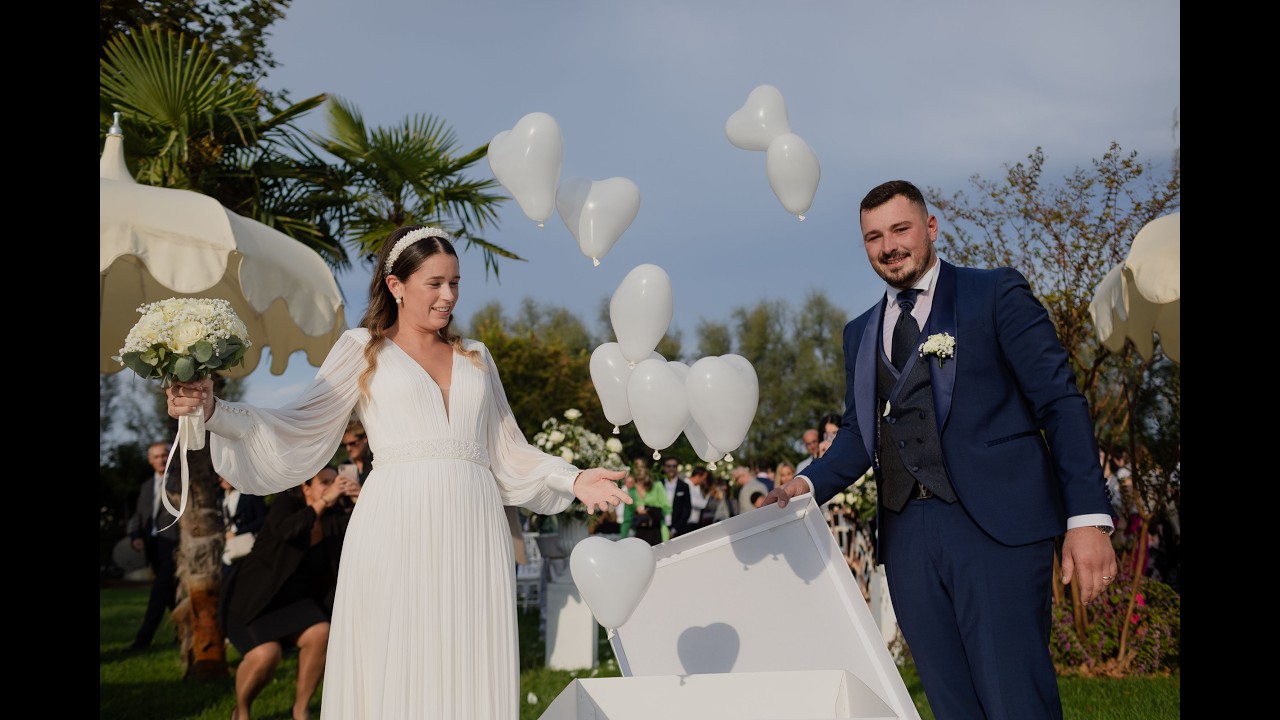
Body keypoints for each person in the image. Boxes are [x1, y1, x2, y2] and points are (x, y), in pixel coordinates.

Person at [165, 225, 630, 719]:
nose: (448, 295)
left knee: (469, 651)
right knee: (400, 648)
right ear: (396, 285)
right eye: (434, 283)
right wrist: (215, 412)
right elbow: (298, 424)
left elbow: (508, 451)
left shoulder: (477, 358)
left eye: (455, 281)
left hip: (474, 528)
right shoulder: (363, 348)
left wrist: (573, 479)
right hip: (395, 525)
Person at [765, 180, 1117, 720]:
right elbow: (860, 436)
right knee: (950, 703)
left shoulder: (994, 293)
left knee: (1015, 699)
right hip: (907, 540)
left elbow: (1060, 404)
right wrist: (805, 484)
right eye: (873, 237)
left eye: (900, 229)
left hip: (995, 529)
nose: (888, 246)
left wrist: (1087, 520)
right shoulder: (859, 332)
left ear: (930, 228)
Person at [220, 466, 358, 720]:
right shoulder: (286, 504)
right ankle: (242, 710)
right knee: (266, 655)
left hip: (293, 603)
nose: (332, 487)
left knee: (320, 633)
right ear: (306, 487)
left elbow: (361, 532)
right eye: (324, 482)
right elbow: (287, 531)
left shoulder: (333, 519)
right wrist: (325, 501)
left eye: (334, 481)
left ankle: (301, 710)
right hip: (252, 601)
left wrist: (360, 498)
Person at [126, 441, 180, 650]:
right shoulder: (146, 486)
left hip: (173, 545)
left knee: (159, 593)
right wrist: (135, 536)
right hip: (153, 546)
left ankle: (143, 640)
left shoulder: (180, 482)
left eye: (165, 455)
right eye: (156, 456)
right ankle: (183, 634)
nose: (161, 459)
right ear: (150, 460)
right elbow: (139, 515)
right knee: (169, 594)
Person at [220, 475, 268, 567]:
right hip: (229, 548)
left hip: (249, 545)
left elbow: (262, 519)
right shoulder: (221, 500)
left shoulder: (250, 494)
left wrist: (237, 533)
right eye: (221, 476)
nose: (225, 479)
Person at [621, 468, 671, 545]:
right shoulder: (632, 492)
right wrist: (622, 539)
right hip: (639, 532)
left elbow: (667, 508)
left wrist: (648, 510)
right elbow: (627, 519)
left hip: (657, 529)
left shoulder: (657, 486)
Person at [659, 457, 693, 536]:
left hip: (678, 530)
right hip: (660, 528)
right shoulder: (658, 484)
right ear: (664, 467)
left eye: (674, 466)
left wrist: (674, 530)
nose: (671, 468)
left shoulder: (684, 486)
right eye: (669, 466)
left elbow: (687, 510)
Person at [341, 418, 373, 484]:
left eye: (352, 443)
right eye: (344, 445)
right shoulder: (344, 465)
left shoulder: (376, 462)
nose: (348, 449)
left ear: (365, 439)